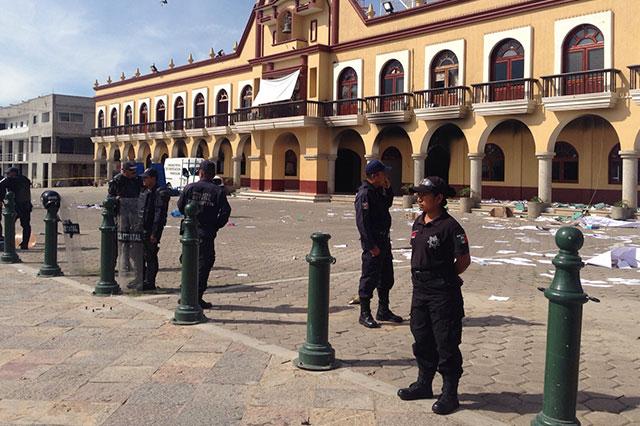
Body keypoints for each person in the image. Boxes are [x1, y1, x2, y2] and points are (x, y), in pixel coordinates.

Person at [397, 177, 471, 416]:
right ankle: (424, 384)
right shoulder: (419, 221)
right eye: (417, 194)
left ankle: (450, 393)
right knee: (422, 337)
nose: (419, 198)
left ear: (439, 198)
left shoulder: (451, 227)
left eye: (424, 195)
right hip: (420, 291)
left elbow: (463, 260)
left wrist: (443, 276)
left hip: (443, 293)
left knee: (446, 342)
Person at [354, 159, 403, 328]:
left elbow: (387, 204)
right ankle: (364, 313)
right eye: (383, 174)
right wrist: (370, 246)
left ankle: (383, 310)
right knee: (369, 277)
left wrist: (388, 188)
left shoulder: (377, 190)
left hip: (384, 240)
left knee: (386, 276)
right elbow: (362, 223)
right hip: (373, 242)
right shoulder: (365, 194)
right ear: (375, 176)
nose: (386, 176)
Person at [177, 160, 231, 309]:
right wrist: (216, 225)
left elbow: (181, 206)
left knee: (188, 262)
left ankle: (186, 293)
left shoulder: (189, 187)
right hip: (206, 232)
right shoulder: (217, 191)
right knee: (204, 264)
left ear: (200, 173)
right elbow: (226, 211)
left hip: (190, 231)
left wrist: (190, 218)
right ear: (213, 174)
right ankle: (195, 296)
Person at [136, 168, 170, 292]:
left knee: (150, 256)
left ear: (153, 179)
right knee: (140, 256)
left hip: (151, 230)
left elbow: (159, 215)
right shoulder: (146, 191)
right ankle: (141, 279)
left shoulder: (159, 193)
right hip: (142, 228)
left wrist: (154, 233)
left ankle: (150, 282)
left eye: (146, 177)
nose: (143, 180)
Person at [107, 161, 143, 271]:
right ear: (124, 171)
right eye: (131, 170)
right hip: (121, 214)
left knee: (131, 240)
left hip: (134, 213)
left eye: (134, 170)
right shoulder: (117, 180)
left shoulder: (137, 180)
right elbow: (110, 198)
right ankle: (113, 265)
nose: (134, 172)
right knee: (121, 240)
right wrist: (117, 200)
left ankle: (128, 263)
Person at [0, 167, 33, 249]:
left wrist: (2, 200)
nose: (7, 175)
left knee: (10, 225)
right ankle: (25, 244)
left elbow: (0, 185)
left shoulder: (10, 180)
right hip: (26, 205)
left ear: (13, 173)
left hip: (15, 206)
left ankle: (9, 243)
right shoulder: (25, 179)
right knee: (26, 225)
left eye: (8, 173)